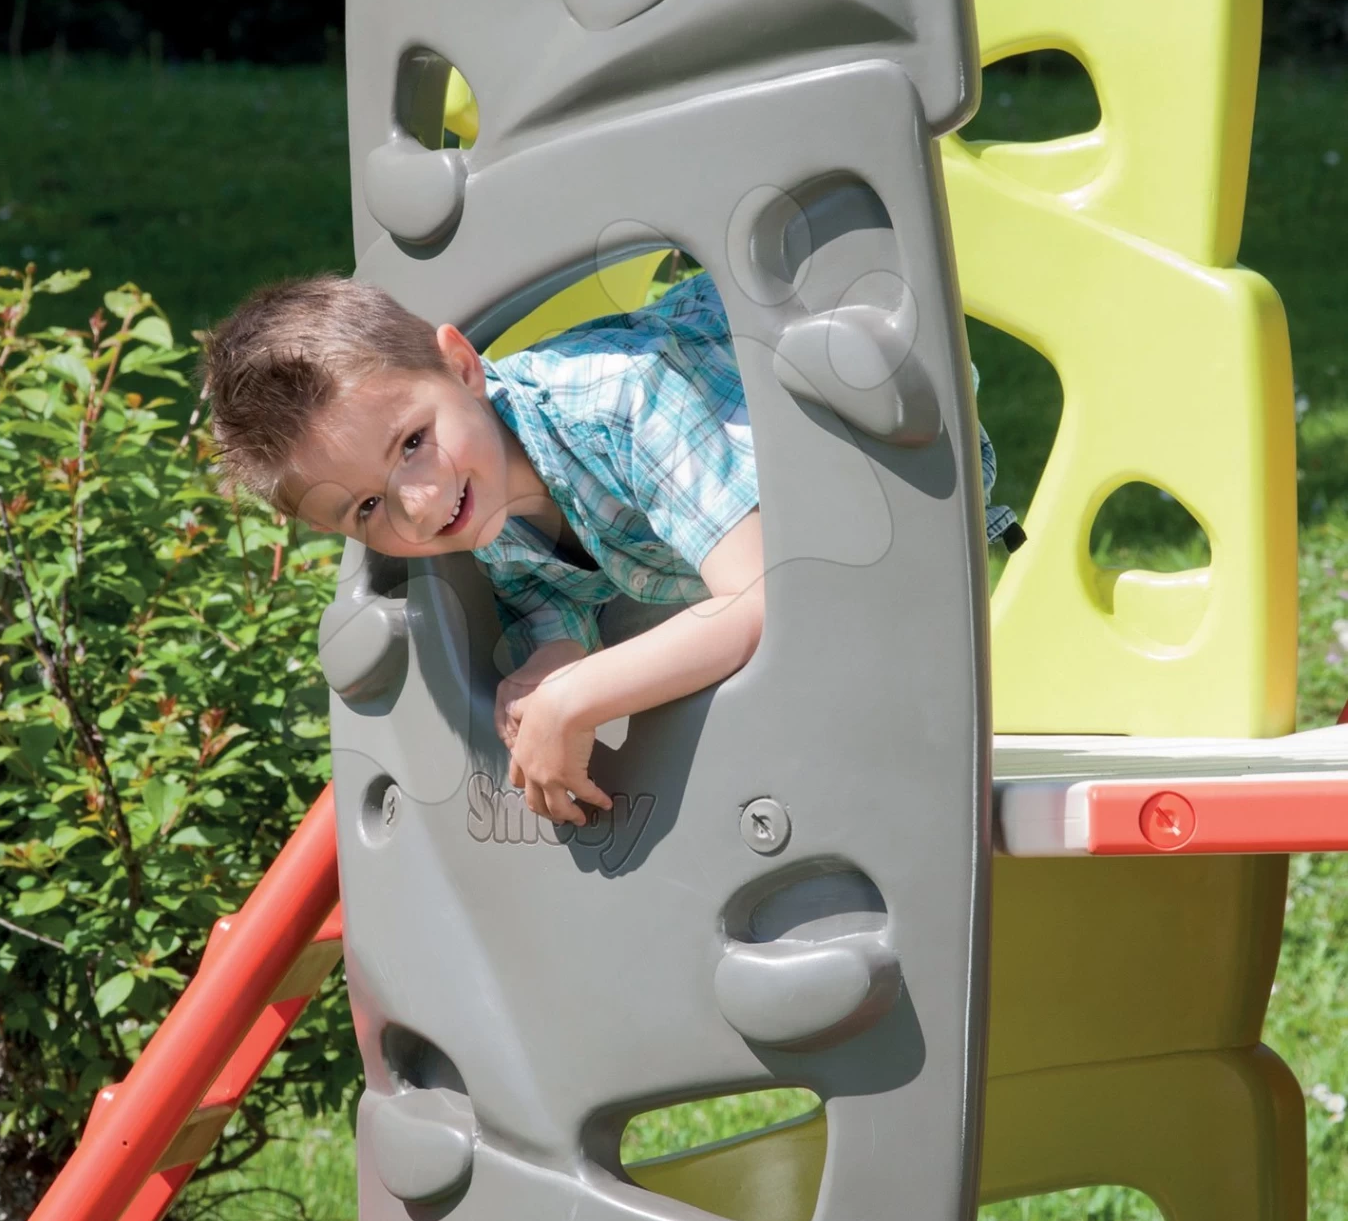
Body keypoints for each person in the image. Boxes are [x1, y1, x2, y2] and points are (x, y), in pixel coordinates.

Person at [199, 269, 1016, 829]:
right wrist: (552, 654)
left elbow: (771, 596)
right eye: (368, 507)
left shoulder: (621, 402)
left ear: (461, 364)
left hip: (881, 429)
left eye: (414, 440)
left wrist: (576, 697)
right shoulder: (472, 509)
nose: (416, 507)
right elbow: (548, 585)